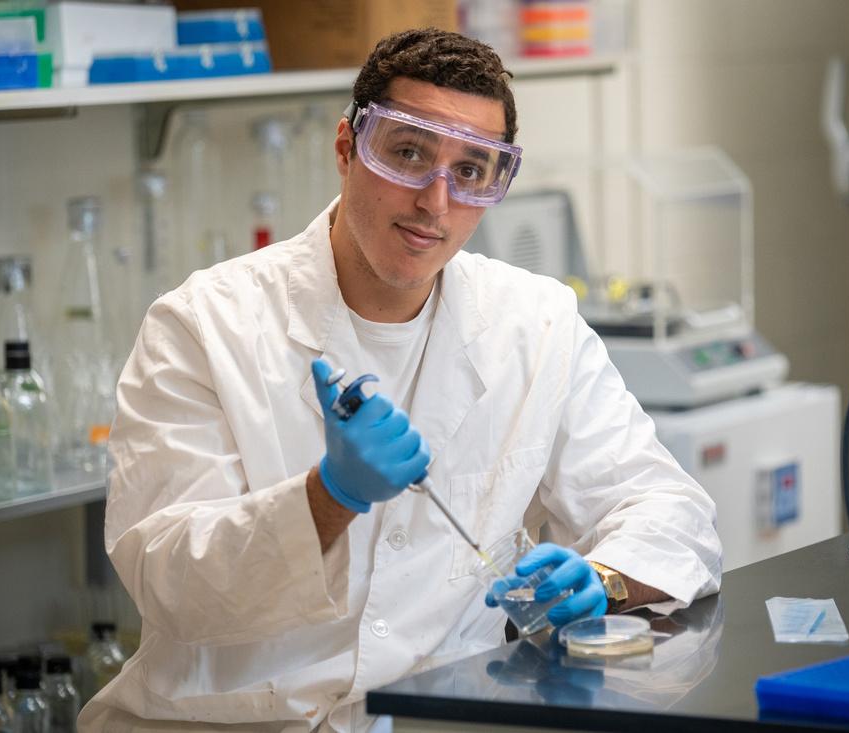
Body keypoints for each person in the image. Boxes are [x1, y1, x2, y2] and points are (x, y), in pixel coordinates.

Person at [78, 27, 722, 733]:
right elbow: (168, 582)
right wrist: (329, 498)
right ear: (347, 149)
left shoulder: (535, 325)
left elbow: (671, 511)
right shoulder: (202, 326)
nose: (434, 202)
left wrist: (604, 579)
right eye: (408, 153)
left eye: (472, 171)